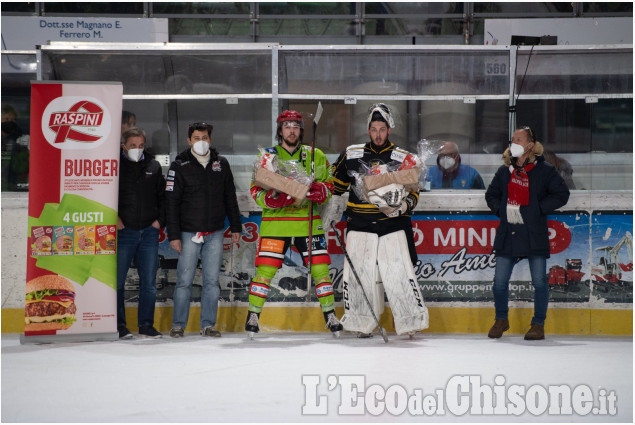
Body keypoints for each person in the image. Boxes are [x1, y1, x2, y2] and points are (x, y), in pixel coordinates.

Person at [327, 103, 429, 337]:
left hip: (393, 224)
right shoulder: (351, 154)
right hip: (359, 224)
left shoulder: (404, 158)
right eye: (374, 129)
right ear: (368, 130)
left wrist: (403, 206)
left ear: (389, 129)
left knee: (398, 274)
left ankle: (409, 323)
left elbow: (414, 193)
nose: (378, 134)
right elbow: (336, 187)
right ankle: (362, 324)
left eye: (382, 129)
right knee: (360, 276)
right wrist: (329, 208)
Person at [245, 110, 343, 337]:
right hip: (275, 223)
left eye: (296, 126)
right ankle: (252, 316)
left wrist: (323, 191)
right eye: (287, 126)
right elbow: (255, 188)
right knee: (264, 272)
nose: (291, 130)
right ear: (280, 130)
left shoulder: (315, 154)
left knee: (321, 271)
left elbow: (329, 183)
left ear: (301, 130)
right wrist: (268, 198)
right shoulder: (267, 156)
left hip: (307, 222)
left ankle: (330, 315)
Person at [485, 126, 570, 341]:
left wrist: (538, 209)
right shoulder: (504, 171)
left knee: (540, 282)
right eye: (512, 138)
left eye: (519, 139)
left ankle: (538, 324)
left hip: (534, 233)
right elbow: (491, 195)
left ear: (530, 145)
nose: (513, 142)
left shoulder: (545, 170)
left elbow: (562, 193)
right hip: (509, 232)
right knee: (499, 282)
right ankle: (501, 319)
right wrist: (502, 210)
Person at [165, 122, 242, 338]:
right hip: (188, 233)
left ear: (210, 139)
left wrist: (236, 226)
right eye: (197, 138)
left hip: (215, 232)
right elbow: (171, 203)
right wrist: (174, 235)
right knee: (184, 281)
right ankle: (178, 325)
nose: (201, 142)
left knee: (211, 281)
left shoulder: (221, 164)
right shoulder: (179, 166)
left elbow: (230, 197)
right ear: (189, 141)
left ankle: (208, 324)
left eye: (205, 137)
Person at [116, 127, 166, 339]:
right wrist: (114, 218)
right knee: (117, 282)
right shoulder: (115, 167)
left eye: (141, 145)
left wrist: (159, 222)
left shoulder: (153, 166)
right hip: (124, 232)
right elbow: (105, 193)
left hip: (148, 232)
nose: (137, 149)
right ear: (123, 146)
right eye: (133, 145)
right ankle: (119, 326)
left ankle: (146, 325)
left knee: (149, 283)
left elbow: (164, 197)